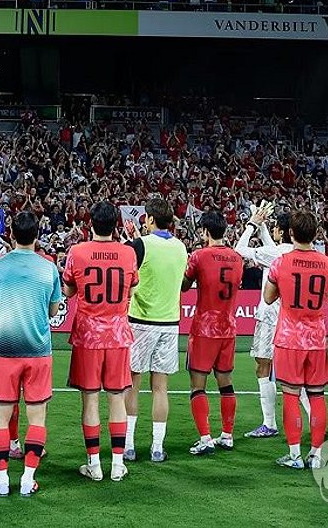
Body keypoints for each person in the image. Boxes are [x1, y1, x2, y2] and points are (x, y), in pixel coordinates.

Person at [0, 210, 63, 497]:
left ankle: (2, 479)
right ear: (37, 235)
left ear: (11, 234)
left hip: (5, 351)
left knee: (0, 417)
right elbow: (55, 311)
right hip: (39, 351)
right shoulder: (49, 268)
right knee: (37, 417)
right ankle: (28, 479)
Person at [63, 201, 138, 481]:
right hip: (118, 334)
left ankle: (94, 464)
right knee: (117, 398)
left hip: (88, 335)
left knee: (91, 400)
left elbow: (69, 289)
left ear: (90, 224)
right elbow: (133, 284)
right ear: (116, 225)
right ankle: (117, 464)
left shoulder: (77, 252)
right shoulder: (128, 253)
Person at [263, 210, 328, 469]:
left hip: (288, 337)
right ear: (314, 234)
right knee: (317, 395)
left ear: (290, 233)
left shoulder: (281, 263)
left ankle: (294, 455)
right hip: (316, 337)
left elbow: (268, 298)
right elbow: (326, 294)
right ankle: (316, 454)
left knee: (291, 395)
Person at [123, 198, 188, 463]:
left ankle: (128, 445)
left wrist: (134, 239)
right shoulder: (181, 247)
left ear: (149, 219)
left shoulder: (141, 245)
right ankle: (157, 447)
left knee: (133, 385)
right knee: (160, 387)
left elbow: (132, 262)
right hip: (169, 324)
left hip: (141, 321)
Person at [182, 210, 244, 456]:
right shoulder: (237, 258)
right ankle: (227, 435)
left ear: (205, 232)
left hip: (204, 328)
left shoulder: (199, 256)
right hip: (228, 327)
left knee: (198, 385)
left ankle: (205, 438)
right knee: (225, 382)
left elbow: (185, 286)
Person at [234, 204, 292, 438]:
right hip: (289, 319)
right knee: (295, 373)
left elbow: (240, 249)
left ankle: (269, 423)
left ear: (282, 230)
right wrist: (263, 222)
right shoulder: (289, 251)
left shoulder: (276, 254)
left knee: (263, 366)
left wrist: (252, 224)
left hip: (269, 318)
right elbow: (272, 247)